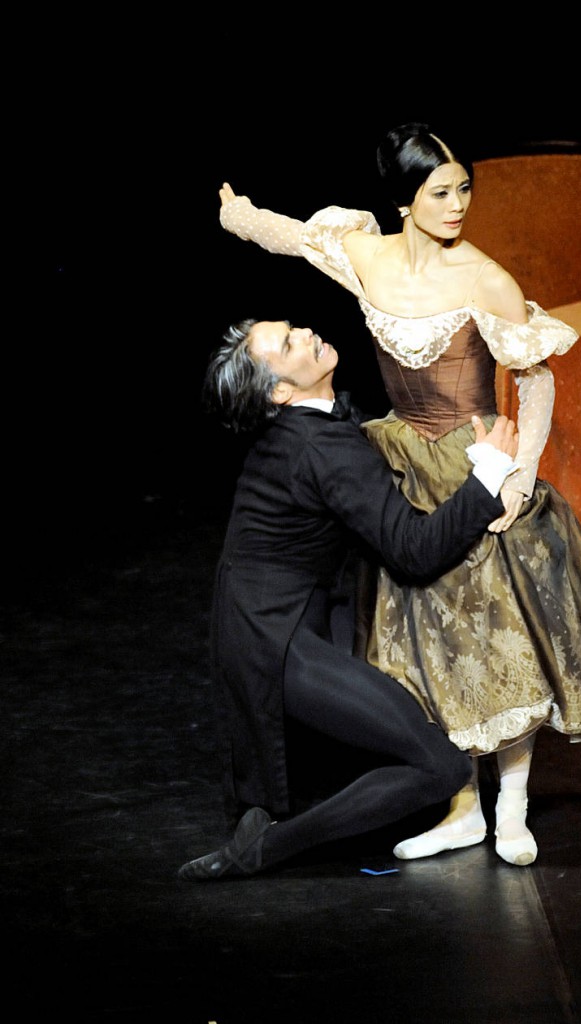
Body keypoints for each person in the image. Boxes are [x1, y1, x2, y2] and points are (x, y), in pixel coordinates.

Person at [217, 122, 581, 868]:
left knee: (502, 636)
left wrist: (519, 470)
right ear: (403, 201)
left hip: (473, 456)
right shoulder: (367, 253)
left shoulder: (484, 277)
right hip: (399, 456)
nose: (457, 204)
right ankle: (461, 805)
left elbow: (536, 376)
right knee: (427, 645)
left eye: (463, 188)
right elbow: (294, 236)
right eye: (440, 192)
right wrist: (237, 216)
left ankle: (513, 806)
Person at [178, 317, 521, 881]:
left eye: (293, 327)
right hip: (275, 639)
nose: (306, 333)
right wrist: (486, 478)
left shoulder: (300, 431)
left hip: (268, 623)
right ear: (280, 392)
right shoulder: (319, 446)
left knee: (403, 755)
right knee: (439, 768)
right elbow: (412, 551)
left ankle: (261, 828)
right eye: (287, 343)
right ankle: (269, 847)